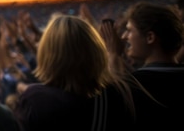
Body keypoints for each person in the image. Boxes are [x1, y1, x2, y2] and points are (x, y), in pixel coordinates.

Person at [13, 14, 144, 131]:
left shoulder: (35, 100)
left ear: (47, 55)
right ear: (96, 51)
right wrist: (114, 55)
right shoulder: (117, 97)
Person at [117, 2, 184, 129]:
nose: (124, 36)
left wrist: (113, 56)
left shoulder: (135, 85)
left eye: (130, 30)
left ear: (150, 37)